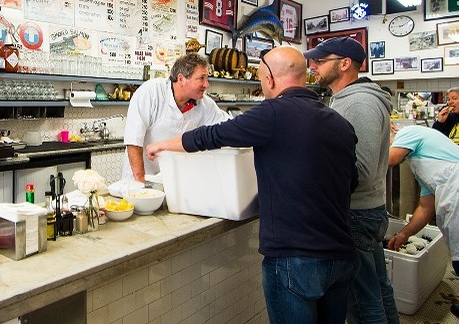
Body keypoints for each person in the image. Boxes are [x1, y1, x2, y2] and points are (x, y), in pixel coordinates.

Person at [147, 47, 359, 323]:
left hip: (294, 259)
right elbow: (351, 182)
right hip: (342, 257)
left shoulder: (272, 114)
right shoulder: (340, 124)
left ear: (269, 79)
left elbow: (213, 136)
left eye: (260, 77)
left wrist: (162, 145)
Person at [304, 37, 398, 323]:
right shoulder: (347, 99)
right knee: (379, 291)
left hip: (354, 214)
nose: (313, 66)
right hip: (362, 212)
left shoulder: (359, 103)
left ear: (344, 64)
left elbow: (362, 169)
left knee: (361, 303)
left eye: (320, 61)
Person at [387, 125, 459, 322]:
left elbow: (389, 159)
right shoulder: (422, 163)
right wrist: (404, 234)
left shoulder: (408, 132)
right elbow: (426, 208)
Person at [122, 53, 230, 183]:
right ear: (181, 79)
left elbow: (229, 127)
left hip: (174, 181)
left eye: (207, 78)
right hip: (140, 177)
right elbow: (134, 139)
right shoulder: (151, 92)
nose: (206, 85)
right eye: (201, 78)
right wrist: (139, 182)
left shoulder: (205, 105)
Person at [432, 87, 459, 158]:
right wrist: (440, 122)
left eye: (455, 98)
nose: (450, 102)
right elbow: (435, 138)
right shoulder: (450, 117)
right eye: (449, 99)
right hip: (450, 159)